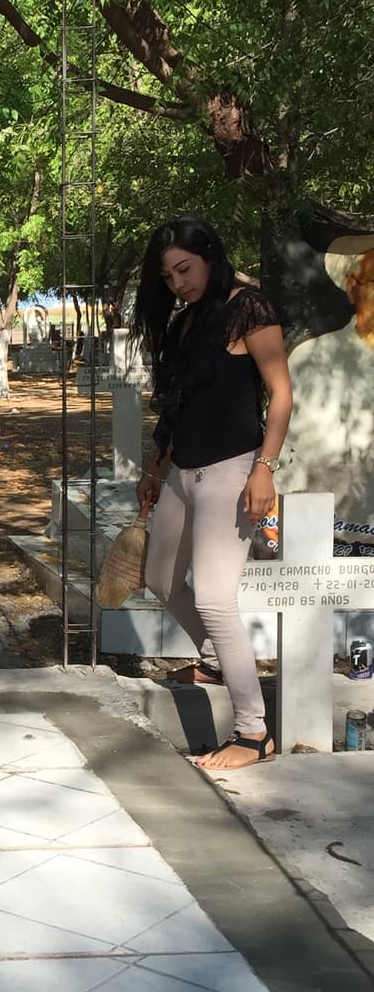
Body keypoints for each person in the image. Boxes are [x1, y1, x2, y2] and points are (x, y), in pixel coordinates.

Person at [132, 216, 293, 772]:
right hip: (183, 473)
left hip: (233, 471)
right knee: (160, 580)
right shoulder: (186, 323)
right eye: (168, 277)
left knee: (216, 599)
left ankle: (254, 732)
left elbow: (281, 393)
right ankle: (216, 659)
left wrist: (264, 469)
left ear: (209, 255)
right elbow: (180, 408)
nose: (178, 284)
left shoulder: (250, 308)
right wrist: (156, 469)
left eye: (185, 269)